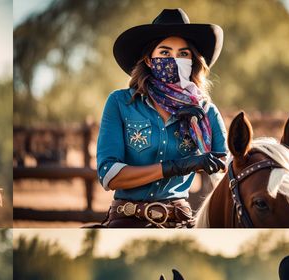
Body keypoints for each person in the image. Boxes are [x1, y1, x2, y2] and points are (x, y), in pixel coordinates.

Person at [94, 9, 228, 227]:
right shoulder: (120, 103)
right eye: (165, 53)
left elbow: (226, 168)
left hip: (181, 219)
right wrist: (178, 166)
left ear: (192, 60)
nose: (174, 60)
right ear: (148, 59)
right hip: (127, 218)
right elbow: (109, 175)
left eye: (183, 54)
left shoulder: (206, 111)